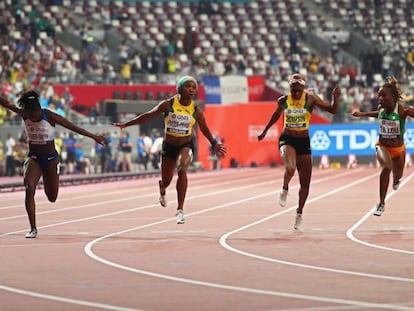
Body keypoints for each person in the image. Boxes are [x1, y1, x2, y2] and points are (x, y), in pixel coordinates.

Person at [113, 75, 226, 224]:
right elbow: (148, 116)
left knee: (182, 169)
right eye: (188, 86)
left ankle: (180, 210)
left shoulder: (196, 110)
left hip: (186, 144)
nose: (191, 90)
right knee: (167, 180)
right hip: (169, 146)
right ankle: (162, 187)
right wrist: (126, 124)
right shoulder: (168, 104)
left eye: (194, 87)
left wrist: (214, 143)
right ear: (180, 88)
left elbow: (204, 129)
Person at [0, 90, 106, 238]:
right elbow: (5, 103)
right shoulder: (24, 114)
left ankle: (48, 178)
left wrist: (94, 137)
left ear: (38, 110)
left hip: (51, 160)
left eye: (34, 115)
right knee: (29, 188)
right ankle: (33, 228)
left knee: (52, 197)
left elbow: (73, 127)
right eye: (30, 115)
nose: (32, 118)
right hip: (34, 158)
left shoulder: (49, 116)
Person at [258, 73, 340, 230]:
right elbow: (275, 116)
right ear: (289, 88)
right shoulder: (283, 100)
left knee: (305, 183)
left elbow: (333, 110)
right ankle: (285, 188)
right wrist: (265, 131)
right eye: (293, 90)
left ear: (303, 88)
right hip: (287, 138)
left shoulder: (311, 99)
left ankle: (299, 213)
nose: (295, 94)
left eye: (298, 91)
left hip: (304, 141)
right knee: (290, 167)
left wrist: (335, 97)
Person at [352, 76, 414, 216]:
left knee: (398, 175)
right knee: (386, 167)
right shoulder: (381, 109)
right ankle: (381, 203)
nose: (379, 98)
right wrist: (362, 114)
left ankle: (397, 179)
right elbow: (377, 114)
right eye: (379, 96)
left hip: (399, 149)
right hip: (382, 146)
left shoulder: (402, 111)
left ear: (392, 97)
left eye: (383, 96)